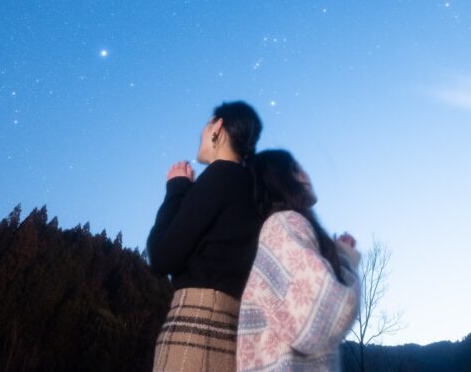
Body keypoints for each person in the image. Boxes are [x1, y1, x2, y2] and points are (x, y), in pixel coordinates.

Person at [147, 101, 263, 371]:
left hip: (195, 331)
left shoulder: (219, 176)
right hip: (234, 334)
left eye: (206, 124)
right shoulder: (255, 191)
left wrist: (176, 190)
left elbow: (162, 257)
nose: (201, 132)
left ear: (217, 127)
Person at [237, 149, 360, 371]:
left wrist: (339, 256)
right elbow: (326, 309)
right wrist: (346, 260)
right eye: (294, 169)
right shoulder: (283, 224)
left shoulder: (279, 230)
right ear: (278, 179)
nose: (304, 174)